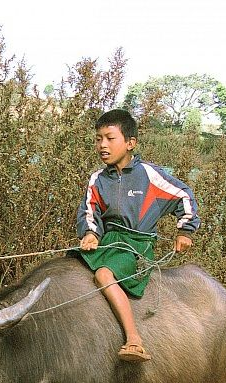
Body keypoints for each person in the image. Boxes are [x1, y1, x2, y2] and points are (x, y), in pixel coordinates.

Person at [76, 109, 197, 363]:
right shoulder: (97, 179)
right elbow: (89, 211)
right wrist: (90, 233)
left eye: (110, 138)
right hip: (107, 243)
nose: (102, 145)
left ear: (130, 143)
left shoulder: (149, 175)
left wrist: (185, 229)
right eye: (98, 139)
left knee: (103, 274)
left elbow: (183, 195)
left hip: (136, 246)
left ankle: (134, 339)